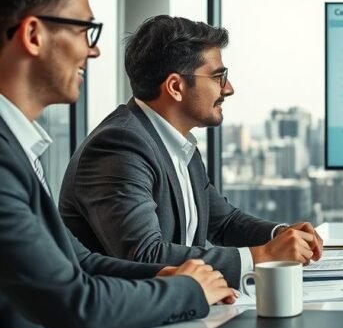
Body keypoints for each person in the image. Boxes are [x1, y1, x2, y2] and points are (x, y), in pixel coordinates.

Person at [0, 0, 234, 328]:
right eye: (84, 30)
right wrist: (188, 290)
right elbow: (75, 304)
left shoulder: (17, 147)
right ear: (33, 35)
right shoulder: (7, 157)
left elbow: (79, 262)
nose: (94, 52)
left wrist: (165, 277)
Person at [59, 15, 323, 290]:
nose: (228, 89)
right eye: (219, 77)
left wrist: (279, 234)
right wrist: (263, 256)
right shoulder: (120, 145)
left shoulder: (178, 143)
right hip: (128, 325)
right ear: (175, 87)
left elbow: (224, 222)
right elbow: (145, 255)